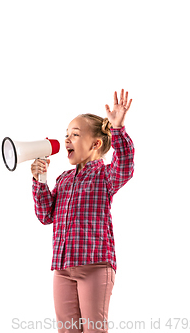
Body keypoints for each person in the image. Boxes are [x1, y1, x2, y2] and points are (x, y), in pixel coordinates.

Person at [31, 89, 134, 333]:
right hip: (63, 269)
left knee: (94, 329)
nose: (67, 139)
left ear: (96, 143)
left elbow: (126, 165)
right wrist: (40, 181)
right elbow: (46, 216)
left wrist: (118, 129)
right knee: (67, 330)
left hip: (95, 266)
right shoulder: (64, 179)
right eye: (66, 134)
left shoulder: (105, 175)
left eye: (75, 134)